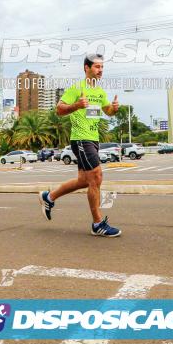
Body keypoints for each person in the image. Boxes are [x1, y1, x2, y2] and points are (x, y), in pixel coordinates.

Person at [39, 53, 121, 237]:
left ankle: (49, 197)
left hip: (93, 138)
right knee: (96, 177)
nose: (100, 70)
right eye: (97, 67)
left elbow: (107, 111)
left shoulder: (99, 92)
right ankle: (97, 224)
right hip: (81, 139)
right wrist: (77, 105)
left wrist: (113, 109)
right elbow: (59, 110)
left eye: (102, 67)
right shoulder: (77, 88)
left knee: (83, 181)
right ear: (86, 68)